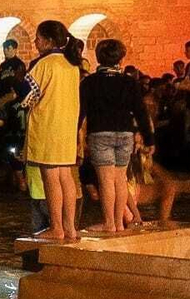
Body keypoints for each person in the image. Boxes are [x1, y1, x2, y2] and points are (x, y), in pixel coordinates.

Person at [80, 38, 155, 233]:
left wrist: (75, 136)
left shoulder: (90, 82)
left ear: (98, 57)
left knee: (106, 180)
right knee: (120, 179)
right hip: (124, 134)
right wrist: (149, 138)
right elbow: (140, 111)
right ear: (120, 59)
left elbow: (81, 112)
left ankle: (109, 223)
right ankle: (120, 224)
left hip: (100, 133)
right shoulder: (129, 82)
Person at [21, 20, 85, 241]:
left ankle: (56, 227)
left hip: (48, 126)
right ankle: (70, 228)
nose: (35, 42)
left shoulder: (44, 64)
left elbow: (26, 97)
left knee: (50, 177)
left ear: (48, 40)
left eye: (38, 38)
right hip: (67, 127)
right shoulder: (72, 65)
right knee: (66, 176)